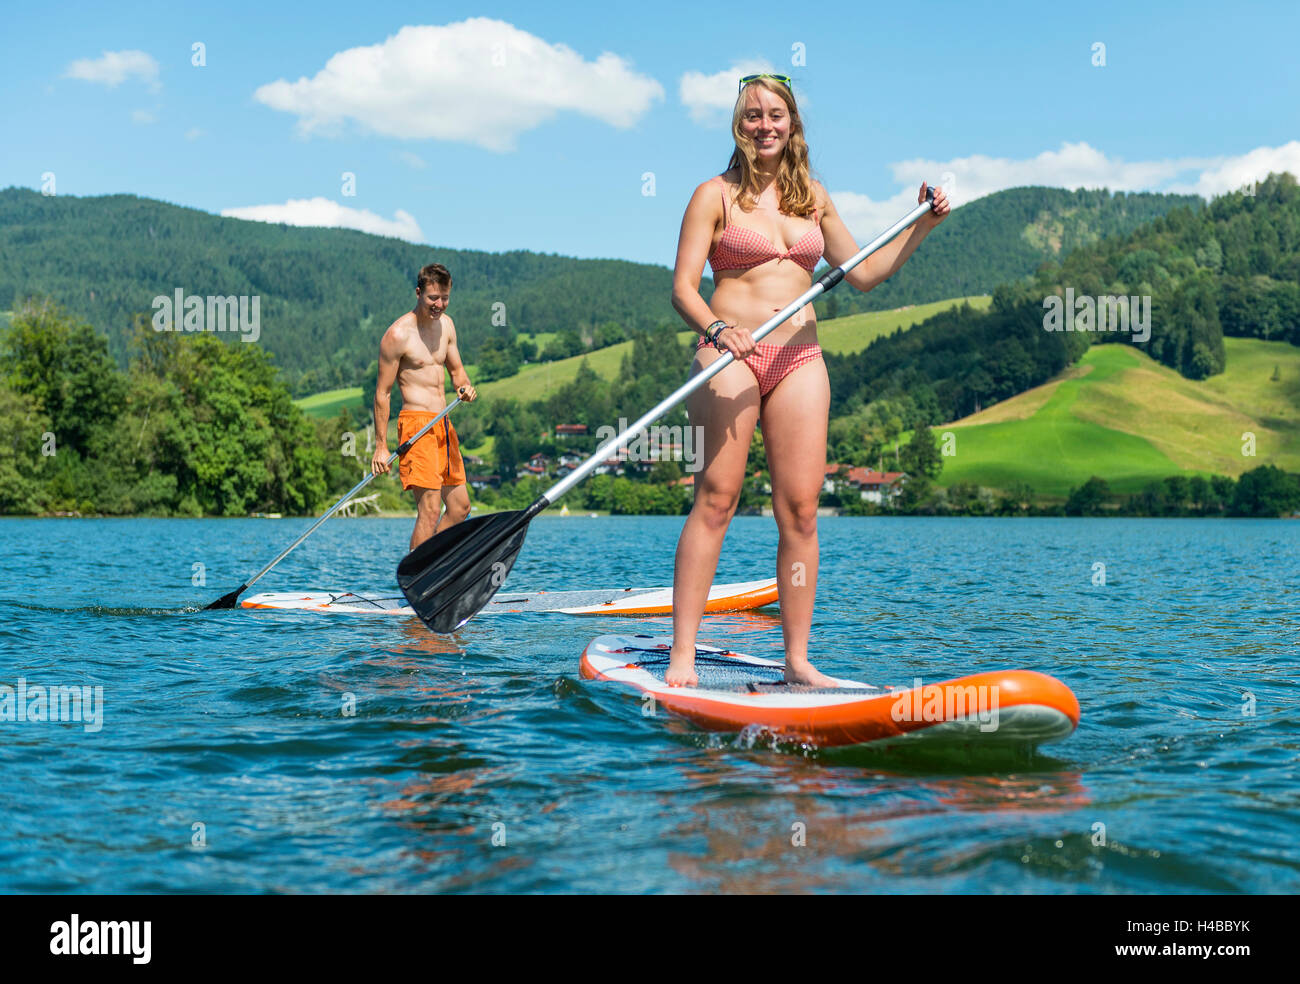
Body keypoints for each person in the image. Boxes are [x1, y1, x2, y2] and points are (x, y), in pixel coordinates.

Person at [667, 73, 949, 686]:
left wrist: (921, 223)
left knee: (800, 512)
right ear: (737, 126)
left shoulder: (813, 197)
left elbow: (867, 272)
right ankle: (683, 653)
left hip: (800, 359)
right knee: (716, 501)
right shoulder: (711, 195)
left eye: (775, 115)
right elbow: (683, 288)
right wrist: (718, 330)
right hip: (728, 357)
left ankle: (796, 661)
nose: (763, 125)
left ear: (792, 123)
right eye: (751, 116)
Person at [371, 262, 478, 551]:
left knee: (460, 508)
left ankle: (433, 566)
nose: (439, 304)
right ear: (418, 293)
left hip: (443, 423)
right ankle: (418, 578)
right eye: (433, 298)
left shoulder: (447, 326)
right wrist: (381, 445)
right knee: (429, 510)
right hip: (416, 426)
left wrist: (464, 388)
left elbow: (457, 372)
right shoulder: (397, 335)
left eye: (444, 298)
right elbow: (383, 393)